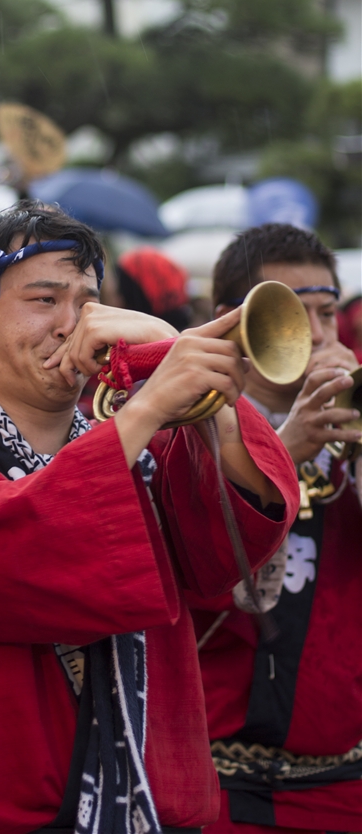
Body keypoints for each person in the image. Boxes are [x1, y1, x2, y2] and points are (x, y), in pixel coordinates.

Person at [0, 202, 299, 834]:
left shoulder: (150, 448)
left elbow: (231, 546)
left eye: (88, 302)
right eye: (44, 299)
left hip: (162, 813)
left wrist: (204, 392)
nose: (73, 325)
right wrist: (143, 415)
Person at [191, 223, 361, 834]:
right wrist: (283, 451)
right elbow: (202, 583)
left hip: (345, 784)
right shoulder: (188, 430)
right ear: (228, 321)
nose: (315, 335)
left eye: (327, 312)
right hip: (216, 786)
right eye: (292, 313)